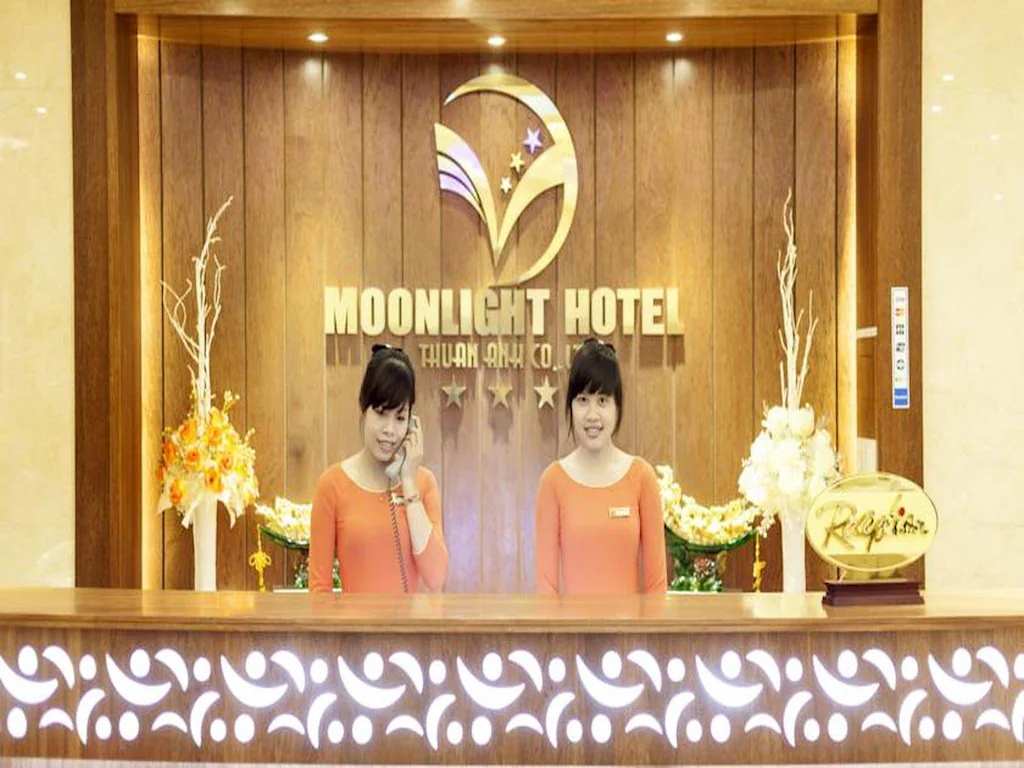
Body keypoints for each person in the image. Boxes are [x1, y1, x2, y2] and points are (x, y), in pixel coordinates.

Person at [309, 344, 448, 593]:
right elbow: (319, 590)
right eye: (381, 413)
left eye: (400, 418)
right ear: (364, 409)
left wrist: (409, 483)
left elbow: (436, 577)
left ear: (411, 424)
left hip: (408, 621)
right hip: (352, 620)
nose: (389, 430)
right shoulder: (331, 485)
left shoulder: (423, 484)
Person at [535, 338, 667, 595]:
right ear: (570, 406)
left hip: (630, 624)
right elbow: (546, 591)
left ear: (618, 407)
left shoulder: (642, 477)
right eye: (583, 400)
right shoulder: (552, 481)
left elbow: (656, 587)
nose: (592, 415)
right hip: (572, 623)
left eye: (603, 400)